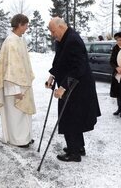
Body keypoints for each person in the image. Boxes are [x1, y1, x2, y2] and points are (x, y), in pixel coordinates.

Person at [46, 17, 101, 162]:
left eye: (53, 31)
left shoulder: (73, 40)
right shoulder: (62, 39)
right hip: (71, 84)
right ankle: (78, 147)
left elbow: (78, 68)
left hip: (78, 86)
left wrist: (63, 87)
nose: (52, 34)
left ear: (61, 27)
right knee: (72, 117)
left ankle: (74, 153)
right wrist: (52, 76)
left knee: (70, 117)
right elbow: (59, 60)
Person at [0, 14, 36, 148]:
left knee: (24, 113)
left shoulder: (19, 40)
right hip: (14, 87)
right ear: (20, 24)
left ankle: (26, 137)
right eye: (26, 25)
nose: (27, 27)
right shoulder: (11, 42)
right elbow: (10, 69)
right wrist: (15, 90)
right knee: (16, 114)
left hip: (23, 84)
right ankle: (18, 140)